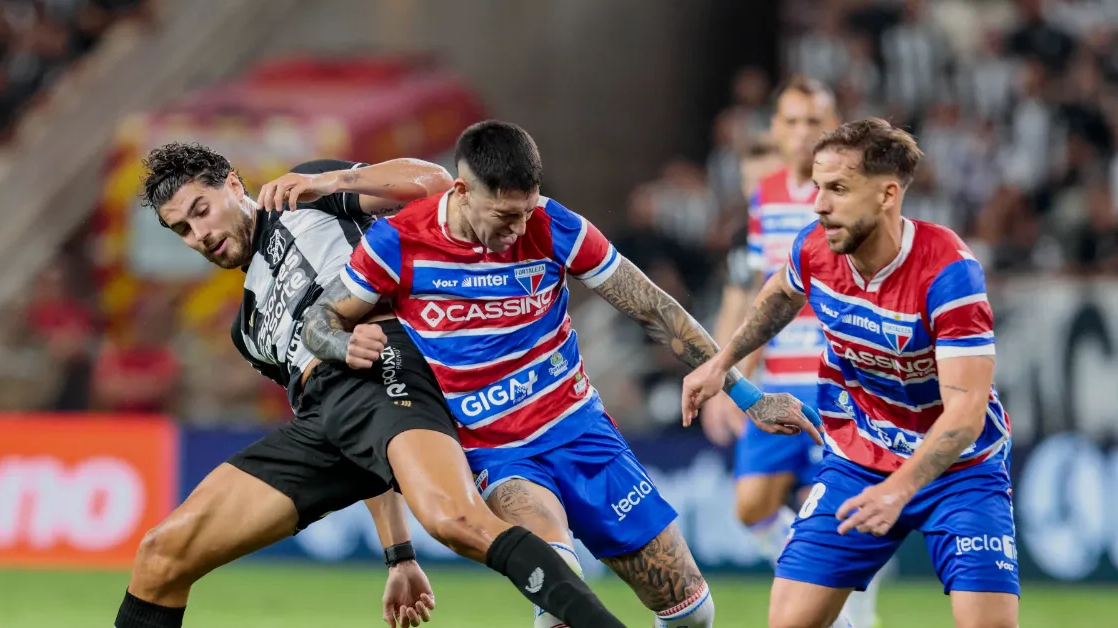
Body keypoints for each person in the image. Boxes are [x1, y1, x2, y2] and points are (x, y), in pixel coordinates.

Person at [298, 120, 822, 628]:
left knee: (693, 612)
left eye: (526, 211)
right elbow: (318, 322)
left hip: (582, 431)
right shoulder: (398, 241)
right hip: (496, 453)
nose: (519, 228)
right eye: (506, 216)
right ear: (461, 190)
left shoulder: (553, 225)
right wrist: (344, 345)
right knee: (560, 591)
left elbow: (655, 310)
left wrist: (749, 395)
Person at [114, 143, 627, 628]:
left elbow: (435, 184)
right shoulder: (246, 328)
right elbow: (365, 447)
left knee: (456, 521)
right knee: (162, 554)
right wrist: (398, 556)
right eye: (180, 229)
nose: (197, 234)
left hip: (385, 364)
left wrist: (330, 179)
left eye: (201, 210)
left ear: (232, 184)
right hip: (327, 418)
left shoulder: (308, 196)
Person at [682, 118, 1018, 628]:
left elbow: (966, 413)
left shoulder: (948, 271)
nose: (818, 204)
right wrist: (722, 363)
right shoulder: (816, 247)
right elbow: (778, 296)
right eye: (817, 187)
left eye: (837, 188)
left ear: (887, 194)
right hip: (859, 458)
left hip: (961, 471)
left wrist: (900, 488)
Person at [702, 77, 882, 628]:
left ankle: (847, 604)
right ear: (775, 129)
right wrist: (733, 380)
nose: (803, 133)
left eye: (815, 122)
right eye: (793, 121)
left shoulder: (850, 192)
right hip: (779, 381)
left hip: (837, 381)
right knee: (751, 505)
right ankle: (837, 592)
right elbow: (763, 294)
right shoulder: (766, 195)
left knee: (846, 508)